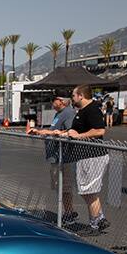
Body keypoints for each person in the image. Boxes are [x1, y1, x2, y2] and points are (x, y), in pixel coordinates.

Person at [64, 84, 110, 235]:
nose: (72, 98)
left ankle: (95, 223)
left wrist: (79, 136)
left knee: (89, 190)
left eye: (73, 96)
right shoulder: (82, 111)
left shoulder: (92, 109)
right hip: (85, 156)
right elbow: (78, 130)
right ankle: (99, 218)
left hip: (94, 155)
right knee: (86, 190)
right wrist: (67, 133)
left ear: (81, 96)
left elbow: (99, 130)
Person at [28, 95, 78, 224]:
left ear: (61, 101)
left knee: (64, 187)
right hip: (56, 156)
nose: (52, 102)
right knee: (59, 186)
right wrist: (41, 132)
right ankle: (68, 212)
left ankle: (69, 214)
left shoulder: (68, 113)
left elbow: (70, 131)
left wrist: (46, 133)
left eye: (54, 99)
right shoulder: (59, 113)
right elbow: (54, 130)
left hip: (63, 156)